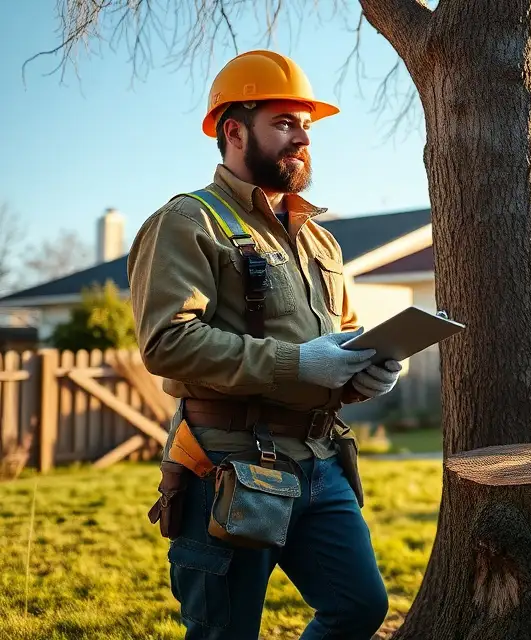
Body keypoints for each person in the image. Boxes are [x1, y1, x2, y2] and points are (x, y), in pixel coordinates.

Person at [129, 49, 401, 639]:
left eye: (306, 126)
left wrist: (362, 375)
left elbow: (339, 343)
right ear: (233, 130)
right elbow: (167, 342)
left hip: (321, 462)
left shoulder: (321, 241)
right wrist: (298, 362)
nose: (301, 138)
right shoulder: (188, 222)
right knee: (225, 632)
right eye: (283, 123)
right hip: (227, 465)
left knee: (359, 608)